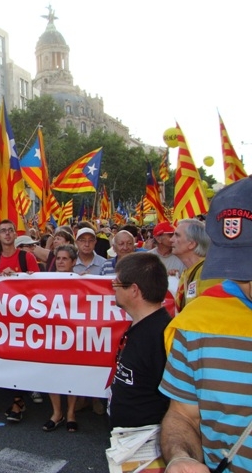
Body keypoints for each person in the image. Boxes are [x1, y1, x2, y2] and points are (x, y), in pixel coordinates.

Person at [159, 177, 252, 472]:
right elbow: (183, 416)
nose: (245, 281)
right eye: (236, 265)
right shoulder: (196, 323)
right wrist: (180, 455)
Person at [108, 253, 171, 428]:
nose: (114, 289)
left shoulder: (162, 336)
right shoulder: (143, 327)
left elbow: (175, 399)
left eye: (117, 284)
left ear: (134, 290)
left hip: (146, 441)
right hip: (129, 437)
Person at [0, 220, 39, 422]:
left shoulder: (27, 257)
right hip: (5, 318)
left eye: (10, 230)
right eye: (3, 231)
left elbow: (40, 285)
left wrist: (19, 276)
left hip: (25, 317)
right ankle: (18, 399)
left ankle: (19, 400)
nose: (7, 234)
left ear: (15, 235)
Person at [43, 244, 81, 432]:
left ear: (74, 262)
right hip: (52, 333)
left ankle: (71, 412)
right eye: (58, 258)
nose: (60, 262)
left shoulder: (83, 281)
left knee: (72, 373)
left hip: (73, 334)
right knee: (52, 373)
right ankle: (57, 412)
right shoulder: (46, 279)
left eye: (65, 259)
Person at [171, 218, 221, 311]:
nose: (171, 239)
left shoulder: (208, 273)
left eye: (177, 235)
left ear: (192, 244)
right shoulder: (186, 272)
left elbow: (209, 312)